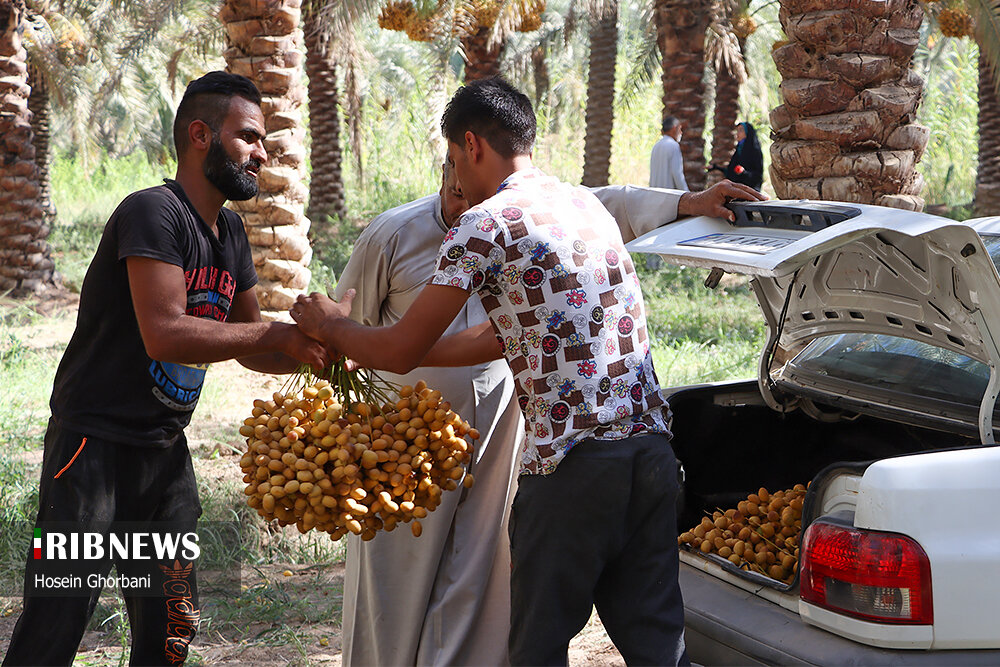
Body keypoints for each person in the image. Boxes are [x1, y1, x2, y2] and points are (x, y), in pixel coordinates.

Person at [290, 78, 762, 666]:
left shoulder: (484, 224)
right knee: (657, 648)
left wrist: (332, 327)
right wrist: (380, 348)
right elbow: (495, 337)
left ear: (471, 146)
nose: (453, 176)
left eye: (454, 159)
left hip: (573, 473)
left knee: (534, 650)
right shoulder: (583, 206)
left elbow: (404, 348)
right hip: (652, 459)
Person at [3, 71, 328, 666]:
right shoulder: (153, 213)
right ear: (200, 135)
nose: (263, 152)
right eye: (249, 137)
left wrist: (325, 346)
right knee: (59, 618)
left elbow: (248, 342)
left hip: (163, 452)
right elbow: (165, 332)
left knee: (170, 626)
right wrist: (281, 332)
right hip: (91, 449)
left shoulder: (227, 230)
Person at [709, 121, 764, 191]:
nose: (737, 133)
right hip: (737, 192)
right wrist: (715, 168)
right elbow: (731, 172)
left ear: (747, 133)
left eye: (741, 130)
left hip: (751, 192)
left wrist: (744, 173)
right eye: (737, 130)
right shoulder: (738, 151)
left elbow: (758, 176)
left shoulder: (755, 151)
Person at [650, 115, 688, 191]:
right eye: (680, 129)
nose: (681, 132)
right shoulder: (674, 146)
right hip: (668, 197)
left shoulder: (656, 146)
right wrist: (687, 194)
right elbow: (677, 174)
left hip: (654, 195)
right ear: (674, 128)